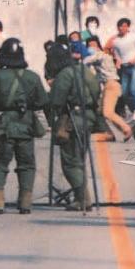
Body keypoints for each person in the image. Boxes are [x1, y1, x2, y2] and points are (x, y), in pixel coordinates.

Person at [0, 38, 48, 214]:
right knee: (27, 164)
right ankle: (25, 203)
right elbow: (42, 101)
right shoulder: (32, 77)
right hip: (26, 124)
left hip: (4, 125)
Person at [46, 41, 100, 211]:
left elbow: (56, 101)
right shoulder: (87, 72)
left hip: (72, 120)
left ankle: (83, 198)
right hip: (88, 118)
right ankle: (81, 197)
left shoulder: (65, 74)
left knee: (70, 161)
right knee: (79, 159)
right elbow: (97, 93)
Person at [83, 36, 131, 141]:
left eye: (94, 45)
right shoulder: (99, 57)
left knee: (107, 112)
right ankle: (108, 133)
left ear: (98, 46)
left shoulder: (101, 55)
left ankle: (126, 128)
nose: (92, 47)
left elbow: (86, 61)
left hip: (112, 85)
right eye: (89, 45)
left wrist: (79, 57)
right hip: (107, 86)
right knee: (99, 112)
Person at [107, 18, 135, 121]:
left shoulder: (133, 37)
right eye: (120, 26)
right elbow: (117, 54)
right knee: (123, 91)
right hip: (124, 67)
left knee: (133, 89)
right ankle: (130, 110)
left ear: (128, 27)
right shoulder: (116, 41)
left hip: (133, 66)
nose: (122, 28)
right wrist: (118, 63)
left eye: (124, 26)